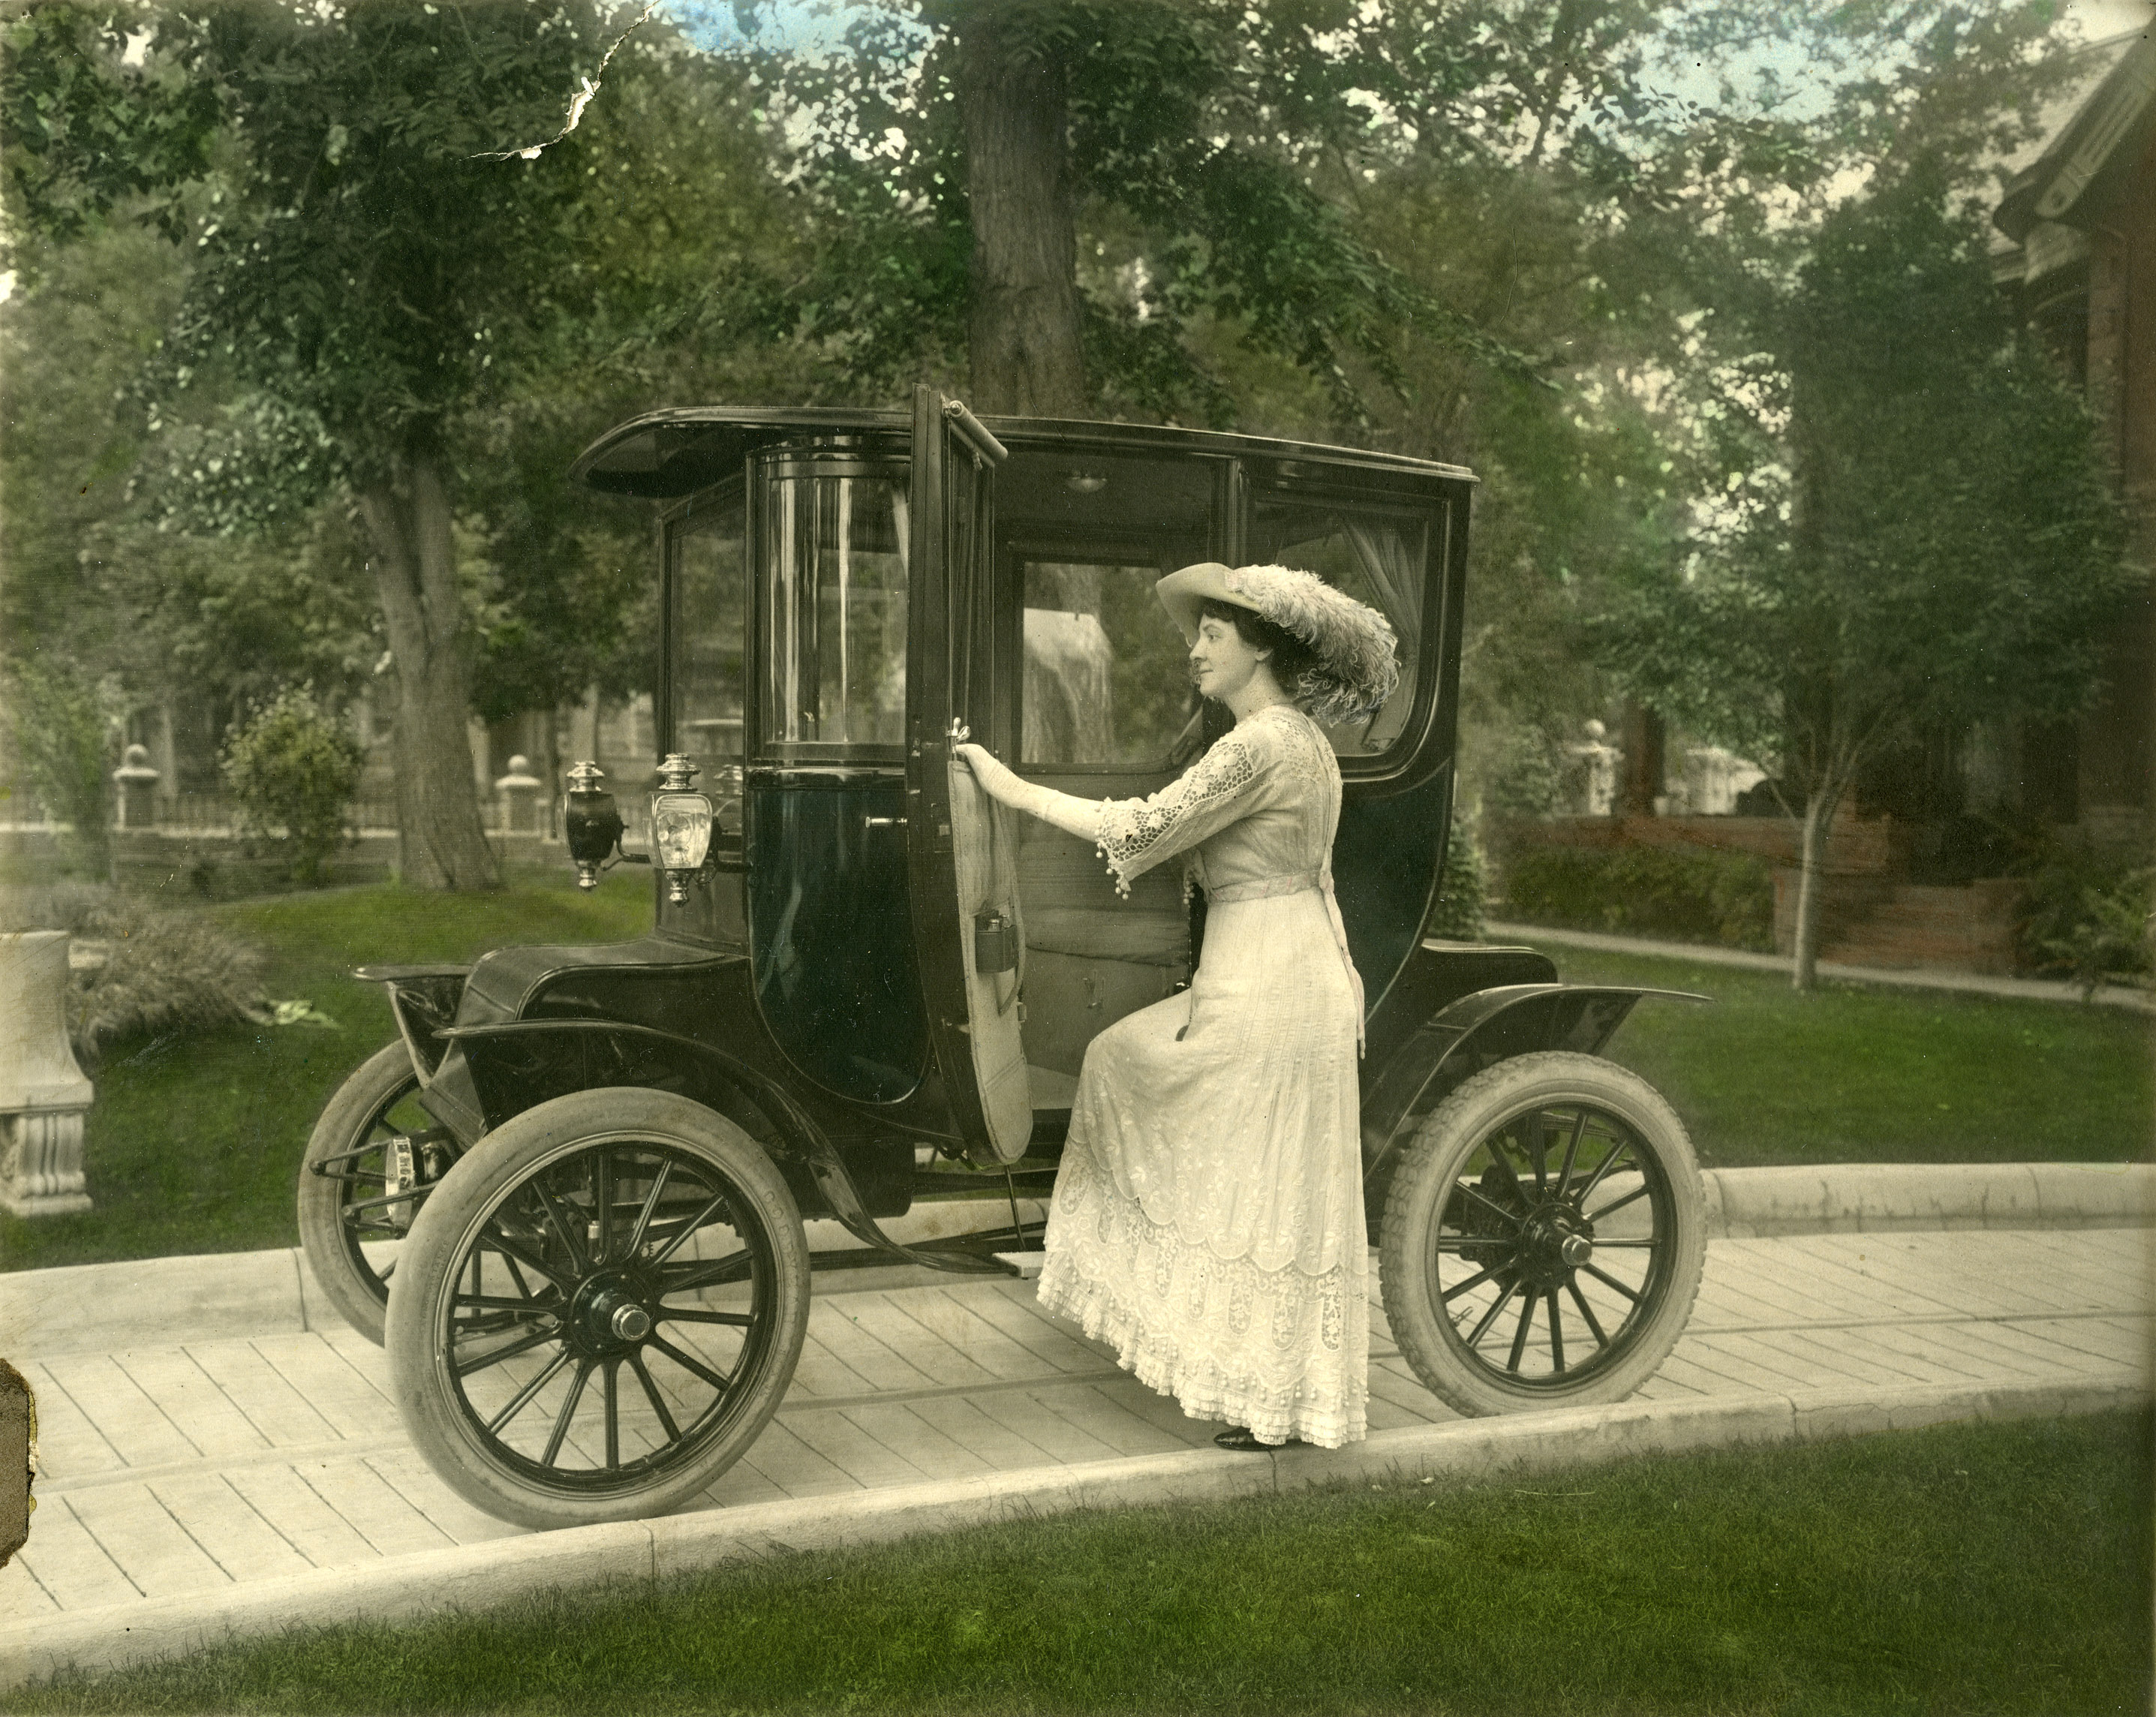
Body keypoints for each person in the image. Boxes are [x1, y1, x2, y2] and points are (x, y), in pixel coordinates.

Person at [956, 561, 1399, 1451]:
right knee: (1201, 1126)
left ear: (1259, 646)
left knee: (1252, 1173)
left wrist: (1002, 785)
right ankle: (1247, 1376)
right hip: (1281, 965)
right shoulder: (1297, 738)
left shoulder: (1260, 745)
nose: (1194, 649)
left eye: (1212, 634)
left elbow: (1141, 830)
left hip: (1271, 977)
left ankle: (1264, 1393)